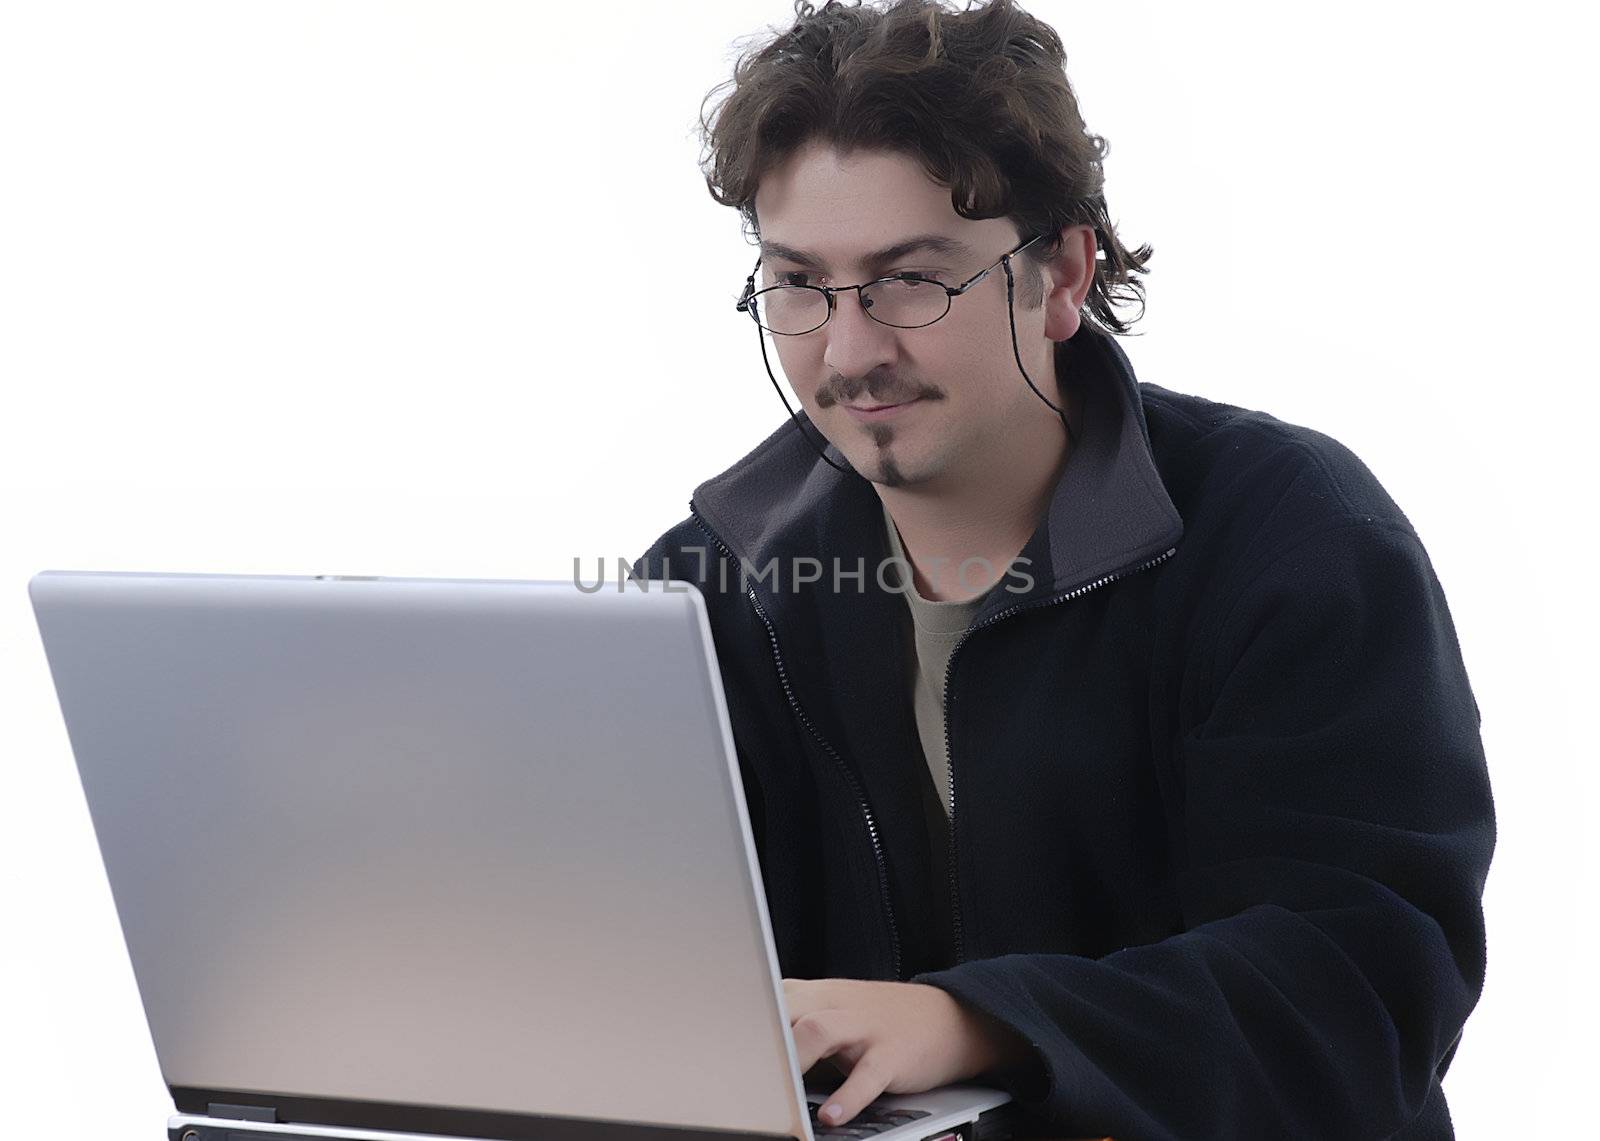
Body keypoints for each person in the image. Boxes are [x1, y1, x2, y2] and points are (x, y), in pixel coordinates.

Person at [629, 1, 1496, 1137]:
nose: (846, 351)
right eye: (799, 284)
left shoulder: (1292, 538)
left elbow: (1359, 990)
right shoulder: (708, 587)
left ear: (1063, 277)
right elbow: (648, 978)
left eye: (911, 279)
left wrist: (975, 1023)